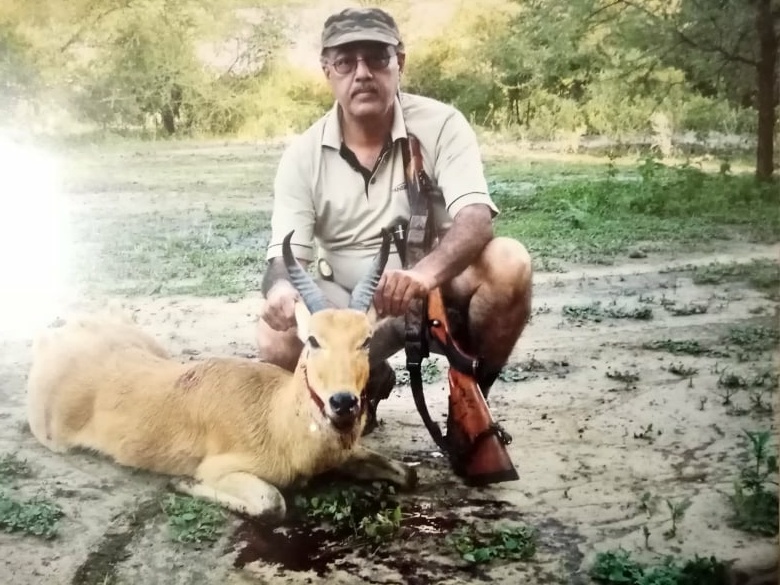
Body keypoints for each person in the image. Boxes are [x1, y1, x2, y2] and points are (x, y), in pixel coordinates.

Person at [256, 6, 533, 435]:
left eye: (377, 58)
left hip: (435, 293)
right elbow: (282, 258)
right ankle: (364, 382)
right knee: (274, 337)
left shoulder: (442, 124)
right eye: (345, 62)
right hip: (351, 310)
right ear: (327, 70)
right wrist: (280, 291)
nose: (362, 73)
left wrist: (422, 276)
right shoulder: (301, 156)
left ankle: (471, 408)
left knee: (509, 263)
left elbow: (476, 219)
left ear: (399, 62)